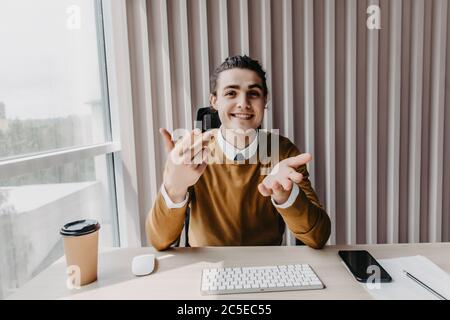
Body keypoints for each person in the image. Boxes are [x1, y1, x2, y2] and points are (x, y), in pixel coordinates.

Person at [146, 55, 331, 250]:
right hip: (207, 267)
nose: (243, 103)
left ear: (265, 100)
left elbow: (319, 237)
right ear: (214, 101)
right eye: (231, 93)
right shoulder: (191, 153)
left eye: (253, 93)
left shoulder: (283, 152)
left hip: (267, 268)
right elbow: (159, 241)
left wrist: (287, 196)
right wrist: (174, 187)